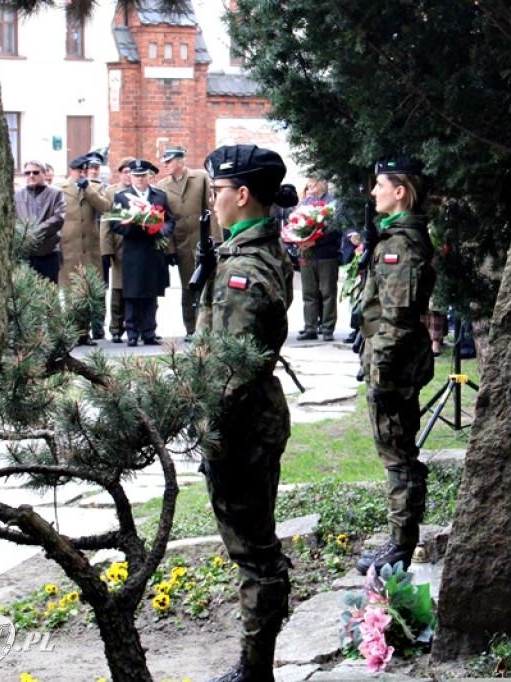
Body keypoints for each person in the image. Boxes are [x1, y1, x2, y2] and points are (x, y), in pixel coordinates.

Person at [196, 144, 296, 682]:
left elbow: (228, 374)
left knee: (255, 553)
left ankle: (255, 669)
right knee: (256, 547)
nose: (212, 201)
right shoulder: (253, 252)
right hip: (253, 421)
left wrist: (208, 435)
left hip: (240, 429)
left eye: (217, 192)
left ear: (241, 195)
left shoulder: (243, 269)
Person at [354, 155, 435, 575]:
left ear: (399, 191)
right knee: (396, 453)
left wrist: (381, 372)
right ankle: (399, 539)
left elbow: (399, 318)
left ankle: (402, 547)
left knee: (398, 456)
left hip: (394, 368)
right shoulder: (394, 238)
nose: (373, 192)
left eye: (379, 185)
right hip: (387, 362)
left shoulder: (401, 245)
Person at [108, 159, 174, 347]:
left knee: (151, 294)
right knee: (133, 294)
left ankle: (149, 332)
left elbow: (170, 220)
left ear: (149, 177)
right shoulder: (122, 197)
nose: (140, 179)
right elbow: (114, 224)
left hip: (153, 251)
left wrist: (161, 230)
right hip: (133, 251)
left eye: (143, 176)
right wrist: (138, 227)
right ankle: (132, 333)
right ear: (130, 177)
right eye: (136, 176)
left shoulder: (159, 196)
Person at [157, 144, 219, 337]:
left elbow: (212, 209)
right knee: (188, 287)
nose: (165, 165)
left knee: (211, 284)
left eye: (169, 161)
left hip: (204, 241)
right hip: (182, 244)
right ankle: (191, 329)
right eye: (165, 162)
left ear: (180, 161)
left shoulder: (200, 178)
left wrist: (217, 239)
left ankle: (212, 327)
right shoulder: (162, 186)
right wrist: (170, 249)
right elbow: (165, 219)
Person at [57, 154, 111, 344]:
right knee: (72, 292)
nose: (81, 175)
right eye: (79, 171)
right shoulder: (60, 188)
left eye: (84, 172)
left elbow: (105, 208)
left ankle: (84, 333)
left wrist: (88, 189)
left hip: (90, 249)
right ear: (72, 171)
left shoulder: (94, 188)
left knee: (88, 291)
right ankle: (73, 332)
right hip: (69, 247)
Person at [294, 176, 342, 341]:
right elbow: (294, 224)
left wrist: (316, 240)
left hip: (327, 254)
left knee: (328, 292)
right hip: (307, 254)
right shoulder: (304, 203)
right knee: (309, 293)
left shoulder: (333, 203)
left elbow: (336, 229)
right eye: (308, 186)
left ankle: (328, 328)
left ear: (322, 184)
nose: (309, 189)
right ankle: (310, 327)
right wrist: (300, 241)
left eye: (313, 185)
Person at [14, 159, 66, 283]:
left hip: (48, 254)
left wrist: (34, 232)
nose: (31, 175)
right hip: (24, 255)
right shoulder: (17, 195)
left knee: (49, 296)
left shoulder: (56, 194)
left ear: (44, 173)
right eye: (27, 173)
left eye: (35, 172)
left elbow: (59, 218)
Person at [101, 157, 134, 343]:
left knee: (136, 289)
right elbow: (106, 223)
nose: (128, 175)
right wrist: (106, 250)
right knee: (118, 290)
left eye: (131, 172)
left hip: (136, 247)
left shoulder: (140, 191)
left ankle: (133, 327)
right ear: (120, 173)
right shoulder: (112, 192)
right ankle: (115, 328)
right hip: (119, 245)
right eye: (125, 172)